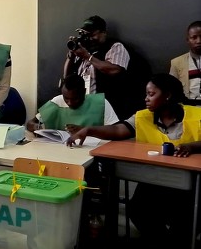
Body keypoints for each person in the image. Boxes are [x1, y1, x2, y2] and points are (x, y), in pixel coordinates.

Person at [66, 73, 201, 248]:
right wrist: (88, 130)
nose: (146, 99)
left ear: (167, 95)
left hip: (190, 184)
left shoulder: (196, 115)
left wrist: (191, 147)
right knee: (138, 210)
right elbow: (118, 130)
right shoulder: (142, 117)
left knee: (185, 219)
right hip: (156, 178)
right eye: (146, 94)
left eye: (151, 94)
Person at [63, 15, 147, 120]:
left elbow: (114, 70)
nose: (89, 38)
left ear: (104, 33)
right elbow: (67, 77)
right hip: (84, 108)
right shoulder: (84, 49)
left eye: (92, 35)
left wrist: (87, 56)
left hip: (109, 109)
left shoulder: (115, 47)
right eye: (86, 35)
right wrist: (71, 55)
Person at [26, 74, 119, 133]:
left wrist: (85, 130)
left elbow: (116, 130)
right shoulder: (57, 102)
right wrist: (36, 127)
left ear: (84, 92)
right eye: (66, 98)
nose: (70, 102)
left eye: (75, 99)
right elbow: (30, 123)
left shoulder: (101, 103)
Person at [169, 20, 201, 104]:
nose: (199, 41)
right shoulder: (176, 63)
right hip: (188, 107)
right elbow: (171, 90)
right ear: (187, 40)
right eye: (194, 37)